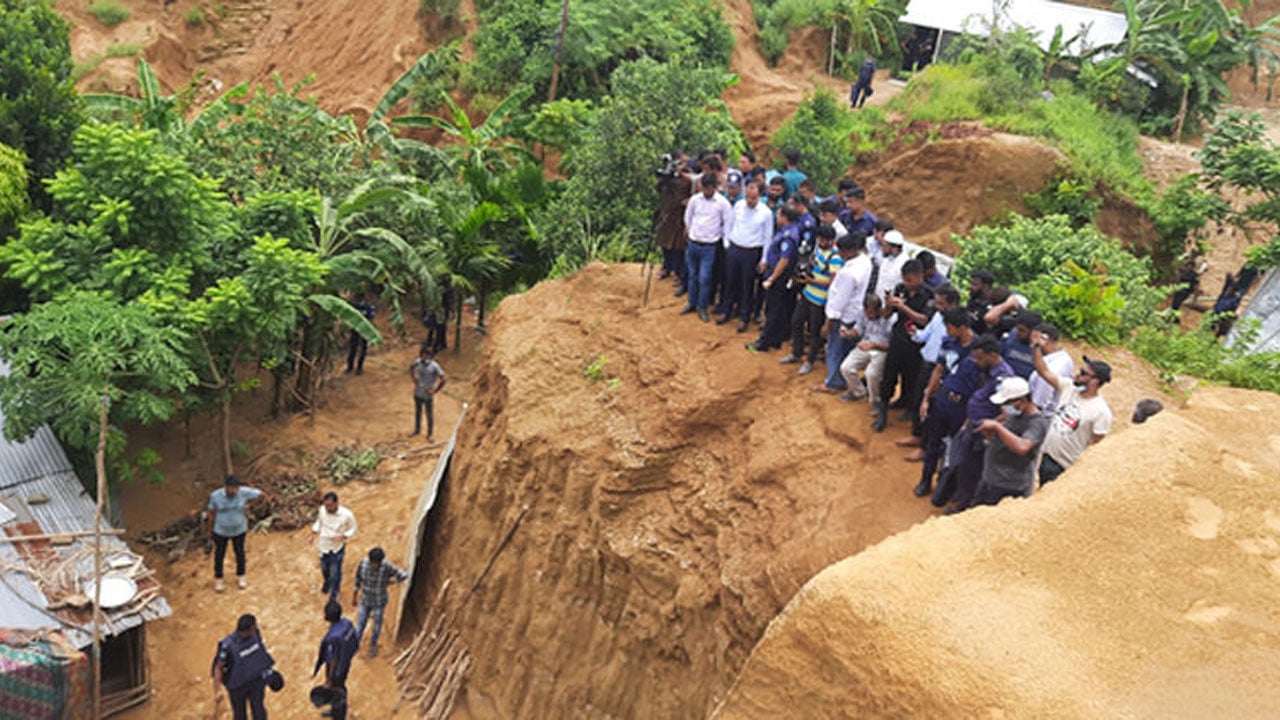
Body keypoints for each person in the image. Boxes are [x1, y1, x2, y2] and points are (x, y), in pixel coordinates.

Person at [1030, 344, 1113, 484]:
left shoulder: (1101, 412)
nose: (1078, 375)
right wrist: (1036, 348)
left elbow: (1095, 445)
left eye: (1083, 374)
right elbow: (1043, 371)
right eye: (1081, 370)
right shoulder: (1069, 388)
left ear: (1095, 382)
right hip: (1047, 456)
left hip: (1066, 467)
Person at [901, 284, 961, 459]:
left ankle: (925, 447)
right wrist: (914, 333)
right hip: (926, 363)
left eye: (941, 304)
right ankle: (916, 435)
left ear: (953, 304)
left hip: (941, 369)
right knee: (919, 399)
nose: (937, 307)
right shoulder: (937, 316)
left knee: (932, 407)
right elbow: (924, 336)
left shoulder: (957, 325)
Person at [972, 376, 1050, 507]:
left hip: (1010, 486)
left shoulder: (1037, 423)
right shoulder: (1016, 414)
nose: (1004, 407)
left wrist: (997, 427)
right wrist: (991, 432)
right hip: (991, 479)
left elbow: (1023, 447)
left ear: (1022, 400)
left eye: (1007, 403)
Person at [875, 259, 933, 432]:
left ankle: (908, 405)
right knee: (889, 372)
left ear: (920, 276)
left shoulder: (929, 295)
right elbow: (885, 315)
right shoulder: (900, 289)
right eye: (905, 280)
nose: (907, 284)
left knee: (911, 376)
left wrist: (904, 307)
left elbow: (924, 320)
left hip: (916, 342)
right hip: (898, 337)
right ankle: (883, 409)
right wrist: (888, 304)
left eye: (910, 280)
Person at [783, 223, 842, 373]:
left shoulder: (835, 258)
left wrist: (811, 281)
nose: (821, 242)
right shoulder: (819, 251)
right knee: (796, 322)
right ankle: (796, 353)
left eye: (824, 240)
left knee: (815, 331)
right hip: (808, 294)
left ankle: (810, 361)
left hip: (820, 299)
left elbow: (832, 282)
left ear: (831, 240)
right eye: (819, 239)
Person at [818, 232, 873, 392]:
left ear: (849, 251)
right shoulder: (864, 262)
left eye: (840, 251)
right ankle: (843, 378)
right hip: (856, 314)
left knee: (835, 349)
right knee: (847, 349)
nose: (839, 254)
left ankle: (834, 382)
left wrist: (827, 323)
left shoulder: (848, 273)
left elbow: (839, 302)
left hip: (843, 317)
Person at [718, 181, 774, 331]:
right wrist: (727, 243)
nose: (750, 201)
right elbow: (729, 224)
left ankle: (744, 317)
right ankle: (725, 311)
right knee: (729, 281)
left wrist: (764, 259)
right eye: (748, 197)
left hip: (751, 252)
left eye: (754, 198)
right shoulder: (738, 206)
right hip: (734, 248)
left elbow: (767, 237)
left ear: (759, 196)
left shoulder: (766, 213)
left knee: (747, 286)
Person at [747, 205, 800, 352]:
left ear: (784, 217)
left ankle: (764, 342)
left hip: (778, 276)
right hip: (777, 274)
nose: (777, 217)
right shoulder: (789, 231)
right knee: (778, 308)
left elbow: (784, 260)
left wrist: (771, 279)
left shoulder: (788, 236)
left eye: (778, 215)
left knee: (772, 309)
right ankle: (775, 339)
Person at [682, 173, 734, 323]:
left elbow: (727, 223)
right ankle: (692, 303)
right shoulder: (695, 200)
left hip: (709, 245)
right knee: (692, 276)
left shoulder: (722, 203)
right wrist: (690, 230)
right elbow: (688, 216)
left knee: (704, 278)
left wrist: (725, 242)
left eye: (710, 188)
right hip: (693, 242)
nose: (707, 191)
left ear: (715, 187)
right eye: (705, 188)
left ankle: (702, 307)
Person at [206, 475, 264, 593]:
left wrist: (250, 506)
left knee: (240, 553)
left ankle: (241, 576)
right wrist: (209, 530)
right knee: (219, 555)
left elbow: (261, 495)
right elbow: (211, 513)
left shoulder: (243, 492)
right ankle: (219, 579)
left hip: (239, 530)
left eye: (236, 488)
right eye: (232, 488)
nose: (234, 491)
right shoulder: (215, 496)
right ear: (226, 487)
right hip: (221, 531)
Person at [212, 614, 275, 720]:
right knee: (240, 715)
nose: (256, 627)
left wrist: (269, 673)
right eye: (254, 626)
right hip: (237, 687)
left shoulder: (256, 634)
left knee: (259, 712)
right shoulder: (227, 645)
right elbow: (218, 667)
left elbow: (260, 653)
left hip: (256, 682)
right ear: (250, 628)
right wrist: (217, 690)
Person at [352, 547, 409, 658]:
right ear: (371, 560)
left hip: (379, 602)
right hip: (365, 600)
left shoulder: (386, 566)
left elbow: (403, 575)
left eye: (379, 563)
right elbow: (357, 580)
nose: (377, 565)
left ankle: (373, 644)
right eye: (375, 563)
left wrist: (391, 582)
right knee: (360, 624)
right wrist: (354, 597)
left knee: (377, 625)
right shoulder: (363, 565)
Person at [838, 293, 893, 402]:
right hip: (864, 347)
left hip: (881, 350)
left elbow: (892, 346)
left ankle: (876, 401)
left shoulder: (889, 319)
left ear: (879, 309)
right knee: (846, 367)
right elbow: (857, 331)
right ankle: (860, 393)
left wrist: (874, 345)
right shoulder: (862, 314)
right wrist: (848, 333)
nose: (870, 315)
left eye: (873, 313)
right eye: (867, 312)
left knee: (871, 374)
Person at [313, 600, 360, 720]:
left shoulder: (333, 637)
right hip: (345, 663)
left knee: (337, 689)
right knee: (340, 687)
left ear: (327, 617)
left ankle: (339, 715)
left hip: (337, 670)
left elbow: (333, 660)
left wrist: (329, 678)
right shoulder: (347, 623)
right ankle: (336, 711)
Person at [311, 492, 357, 601]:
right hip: (324, 546)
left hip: (337, 547)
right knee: (324, 569)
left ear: (337, 503)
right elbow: (319, 522)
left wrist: (343, 536)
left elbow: (353, 528)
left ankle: (334, 593)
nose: (328, 508)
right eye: (326, 506)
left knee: (335, 571)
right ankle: (327, 583)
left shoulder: (347, 515)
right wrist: (313, 532)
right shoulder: (322, 510)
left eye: (330, 506)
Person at [655, 150, 691, 287]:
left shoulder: (688, 175)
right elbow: (658, 188)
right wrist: (666, 177)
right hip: (666, 212)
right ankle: (666, 267)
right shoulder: (667, 176)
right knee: (664, 241)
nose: (684, 164)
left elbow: (693, 188)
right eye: (681, 162)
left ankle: (678, 271)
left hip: (680, 214)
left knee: (678, 244)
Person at [1027, 322, 1073, 413]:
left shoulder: (1056, 366)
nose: (1031, 345)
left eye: (1034, 340)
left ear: (1045, 340)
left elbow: (1040, 401)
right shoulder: (1063, 358)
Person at [410, 347, 447, 442]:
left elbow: (443, 379)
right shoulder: (417, 362)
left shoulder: (435, 366)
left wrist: (435, 391)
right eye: (422, 355)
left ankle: (430, 434)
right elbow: (411, 367)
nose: (423, 358)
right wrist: (414, 379)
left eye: (425, 356)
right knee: (418, 412)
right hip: (418, 392)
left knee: (429, 414)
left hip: (428, 394)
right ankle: (417, 430)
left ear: (429, 356)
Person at [1000, 310, 1042, 380]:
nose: (1018, 333)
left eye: (1022, 330)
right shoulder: (1009, 339)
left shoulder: (1042, 348)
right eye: (1017, 329)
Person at [346, 295, 376, 375]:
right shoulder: (354, 304)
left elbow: (371, 317)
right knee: (354, 347)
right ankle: (351, 367)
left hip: (365, 328)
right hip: (356, 328)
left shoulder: (368, 305)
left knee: (361, 348)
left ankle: (358, 367)